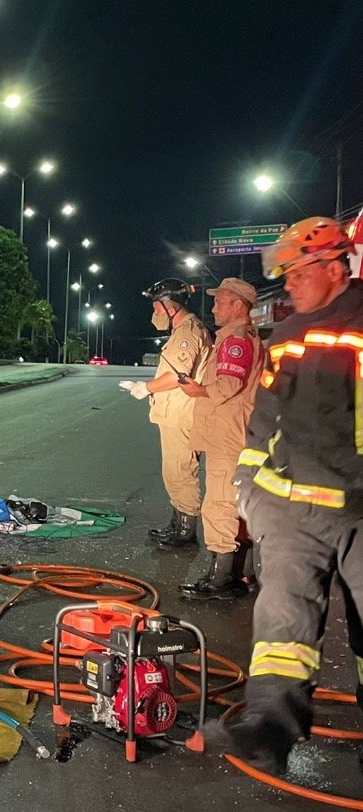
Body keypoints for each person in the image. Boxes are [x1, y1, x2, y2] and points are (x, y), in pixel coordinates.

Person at [207, 216, 363, 775]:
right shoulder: (290, 333)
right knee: (283, 620)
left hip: (358, 508)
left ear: (335, 267)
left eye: (298, 272)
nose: (289, 283)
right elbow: (265, 416)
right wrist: (250, 485)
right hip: (293, 508)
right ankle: (269, 728)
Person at [176, 278, 264, 600]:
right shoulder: (243, 336)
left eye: (219, 302)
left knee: (219, 506)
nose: (213, 308)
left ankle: (220, 580)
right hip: (238, 432)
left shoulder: (235, 340)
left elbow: (228, 385)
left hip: (228, 436)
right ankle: (244, 574)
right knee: (237, 506)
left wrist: (197, 390)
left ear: (238, 305)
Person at [120, 278, 212, 547]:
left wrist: (146, 388)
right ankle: (177, 523)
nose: (154, 314)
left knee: (181, 472)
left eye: (156, 308)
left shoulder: (187, 333)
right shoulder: (182, 330)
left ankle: (185, 531)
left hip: (183, 415)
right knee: (174, 472)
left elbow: (177, 375)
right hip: (177, 414)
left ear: (170, 307)